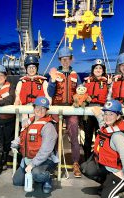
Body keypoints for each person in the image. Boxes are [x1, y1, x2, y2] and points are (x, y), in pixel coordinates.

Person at [12, 97, 58, 194]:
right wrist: (14, 144)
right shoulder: (28, 122)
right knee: (17, 181)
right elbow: (22, 136)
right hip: (28, 159)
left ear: (46, 110)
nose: (40, 110)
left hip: (45, 161)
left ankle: (48, 177)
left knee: (37, 174)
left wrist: (33, 164)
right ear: (34, 108)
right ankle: (34, 175)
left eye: (43, 108)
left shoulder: (48, 126)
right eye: (38, 107)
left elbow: (46, 151)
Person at [48, 46, 82, 178]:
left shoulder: (75, 75)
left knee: (74, 134)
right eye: (63, 59)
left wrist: (81, 99)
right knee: (54, 135)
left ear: (71, 60)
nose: (65, 62)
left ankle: (75, 162)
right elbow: (50, 93)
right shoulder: (55, 74)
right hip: (57, 107)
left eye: (67, 59)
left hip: (71, 108)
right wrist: (52, 80)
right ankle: (54, 162)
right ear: (60, 60)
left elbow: (80, 92)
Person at [82, 59, 109, 160]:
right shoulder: (86, 82)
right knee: (88, 137)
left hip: (101, 112)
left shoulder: (108, 82)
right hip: (89, 112)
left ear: (103, 70)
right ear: (93, 70)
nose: (98, 70)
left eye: (100, 68)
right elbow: (80, 93)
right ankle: (86, 159)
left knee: (100, 136)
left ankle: (100, 159)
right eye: (96, 68)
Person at [14, 55, 50, 125]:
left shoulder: (43, 82)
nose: (31, 69)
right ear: (26, 68)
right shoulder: (21, 82)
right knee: (25, 130)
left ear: (37, 68)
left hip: (39, 111)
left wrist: (48, 106)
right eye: (29, 67)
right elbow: (17, 96)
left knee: (38, 131)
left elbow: (48, 96)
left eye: (33, 67)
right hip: (25, 112)